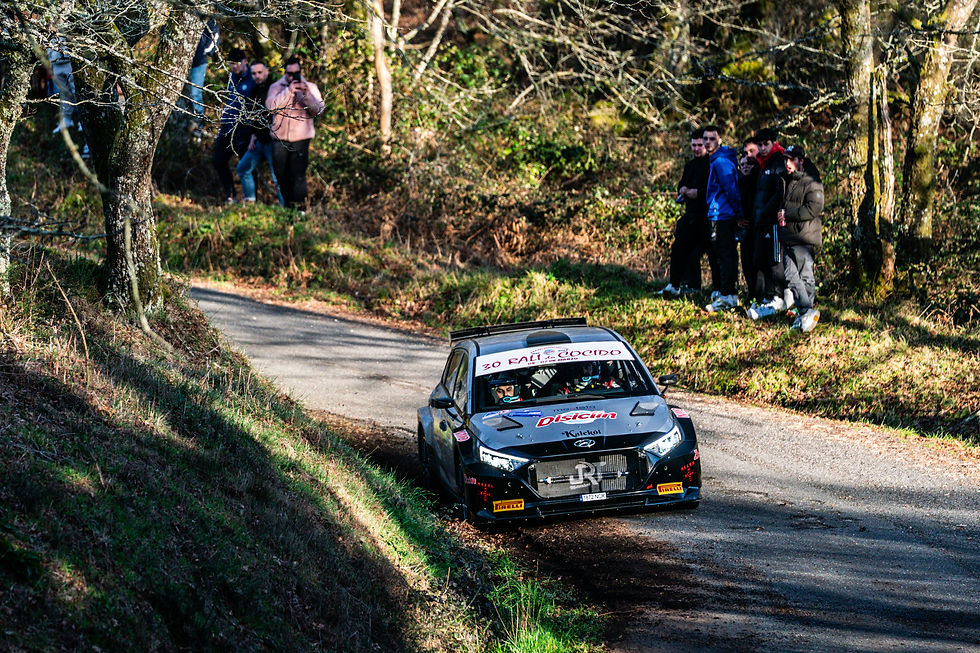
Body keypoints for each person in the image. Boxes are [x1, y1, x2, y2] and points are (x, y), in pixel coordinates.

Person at [266, 56, 325, 211]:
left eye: (296, 73)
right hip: (280, 138)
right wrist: (288, 91)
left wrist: (305, 95)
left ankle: (300, 210)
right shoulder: (276, 87)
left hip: (301, 138)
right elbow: (271, 107)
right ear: (285, 72)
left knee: (297, 175)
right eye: (290, 74)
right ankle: (288, 208)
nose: (293, 76)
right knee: (280, 174)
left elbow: (318, 110)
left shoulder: (310, 87)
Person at [777, 145, 824, 332]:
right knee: (790, 277)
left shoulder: (812, 181)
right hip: (788, 236)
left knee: (805, 277)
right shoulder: (787, 181)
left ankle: (806, 313)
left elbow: (814, 208)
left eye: (791, 159)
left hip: (804, 237)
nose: (787, 163)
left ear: (800, 160)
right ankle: (806, 311)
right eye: (785, 159)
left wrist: (787, 214)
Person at [747, 128, 791, 320]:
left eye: (766, 144)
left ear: (774, 143)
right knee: (760, 259)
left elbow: (779, 193)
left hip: (772, 221)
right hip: (759, 220)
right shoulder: (760, 164)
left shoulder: (779, 162)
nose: (763, 148)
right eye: (760, 145)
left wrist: (767, 212)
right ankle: (768, 294)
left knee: (775, 260)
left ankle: (778, 295)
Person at [661, 129, 711, 296]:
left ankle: (699, 287)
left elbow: (715, 189)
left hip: (707, 216)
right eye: (693, 145)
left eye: (699, 145)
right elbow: (682, 183)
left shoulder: (712, 164)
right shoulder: (690, 165)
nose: (696, 149)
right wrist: (682, 189)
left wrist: (698, 193)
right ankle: (675, 284)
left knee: (702, 253)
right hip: (690, 214)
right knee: (679, 248)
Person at [701, 125, 743, 312]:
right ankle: (724, 292)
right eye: (705, 139)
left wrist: (739, 213)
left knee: (726, 255)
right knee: (720, 254)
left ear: (719, 140)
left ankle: (729, 296)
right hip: (717, 213)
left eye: (712, 138)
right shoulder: (715, 160)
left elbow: (731, 189)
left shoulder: (721, 162)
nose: (708, 142)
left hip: (724, 215)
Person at [235, 60, 283, 205]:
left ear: (267, 71)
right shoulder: (253, 90)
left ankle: (286, 210)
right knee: (243, 168)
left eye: (260, 72)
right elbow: (254, 117)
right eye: (254, 73)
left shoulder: (276, 88)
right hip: (259, 141)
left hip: (274, 142)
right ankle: (250, 203)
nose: (257, 76)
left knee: (278, 177)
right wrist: (253, 137)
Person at [212, 47, 255, 204]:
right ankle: (230, 196)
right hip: (227, 125)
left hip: (244, 127)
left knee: (246, 164)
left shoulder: (253, 77)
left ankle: (251, 199)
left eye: (237, 63)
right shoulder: (232, 77)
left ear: (245, 62)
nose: (234, 67)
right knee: (218, 160)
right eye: (231, 64)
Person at [738, 140, 762, 306]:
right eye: (743, 163)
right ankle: (751, 293)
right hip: (744, 228)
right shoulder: (738, 183)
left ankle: (759, 295)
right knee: (746, 262)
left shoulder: (760, 179)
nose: (746, 164)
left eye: (749, 163)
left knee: (758, 262)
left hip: (758, 227)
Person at [187, 19, 220, 140]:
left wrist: (203, 51)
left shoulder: (208, 18)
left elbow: (215, 36)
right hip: (179, 63)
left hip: (199, 62)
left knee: (195, 94)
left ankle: (198, 129)